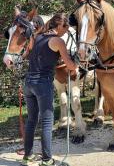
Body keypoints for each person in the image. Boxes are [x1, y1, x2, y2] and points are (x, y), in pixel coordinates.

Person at [21, 13, 78, 166]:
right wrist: (77, 61)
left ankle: (27, 157)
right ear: (60, 26)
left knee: (32, 120)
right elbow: (71, 66)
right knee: (47, 122)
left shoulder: (35, 36)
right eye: (65, 30)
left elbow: (26, 55)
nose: (65, 33)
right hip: (42, 84)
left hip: (28, 83)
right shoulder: (58, 41)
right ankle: (47, 160)